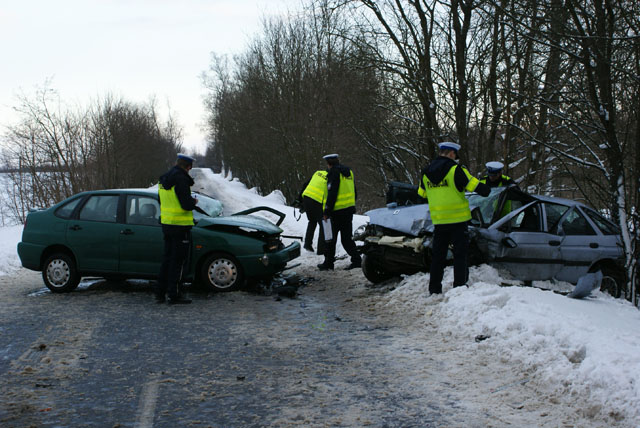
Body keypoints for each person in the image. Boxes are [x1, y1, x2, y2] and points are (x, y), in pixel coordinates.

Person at [417, 142, 491, 295]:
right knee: (460, 256)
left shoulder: (426, 172)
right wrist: (487, 186)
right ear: (451, 153)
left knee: (438, 257)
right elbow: (480, 189)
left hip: (439, 222)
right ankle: (459, 289)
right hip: (458, 222)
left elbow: (421, 195)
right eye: (455, 156)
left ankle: (434, 289)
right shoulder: (456, 170)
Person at [156, 153, 199, 304]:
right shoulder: (181, 180)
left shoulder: (163, 179)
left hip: (167, 224)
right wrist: (193, 202)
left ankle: (160, 293)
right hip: (180, 227)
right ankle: (174, 294)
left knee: (167, 259)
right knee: (178, 262)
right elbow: (185, 204)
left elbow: (161, 201)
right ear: (188, 167)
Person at [317, 154, 362, 271]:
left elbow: (332, 193)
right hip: (348, 210)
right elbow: (354, 191)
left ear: (328, 163)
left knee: (330, 239)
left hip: (336, 212)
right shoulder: (349, 172)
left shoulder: (333, 173)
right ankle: (357, 260)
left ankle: (328, 263)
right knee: (346, 239)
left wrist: (327, 210)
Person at [299, 170, 328, 254]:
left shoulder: (317, 173)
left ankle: (307, 244)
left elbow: (305, 184)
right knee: (323, 225)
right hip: (317, 201)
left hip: (307, 198)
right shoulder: (330, 177)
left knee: (312, 221)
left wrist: (299, 199)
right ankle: (321, 250)